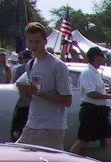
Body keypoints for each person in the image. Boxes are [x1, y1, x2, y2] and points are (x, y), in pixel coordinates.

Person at [15, 21, 72, 150]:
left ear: (45, 41)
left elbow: (67, 100)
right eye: (30, 41)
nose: (34, 45)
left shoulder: (58, 65)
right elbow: (31, 96)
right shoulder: (30, 64)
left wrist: (38, 93)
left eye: (37, 41)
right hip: (32, 123)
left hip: (52, 127)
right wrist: (25, 93)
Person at [69, 47, 111, 162]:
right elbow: (90, 93)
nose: (103, 59)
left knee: (108, 140)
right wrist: (109, 96)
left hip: (100, 111)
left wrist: (107, 93)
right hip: (90, 110)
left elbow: (97, 91)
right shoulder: (88, 73)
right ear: (96, 57)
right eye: (101, 56)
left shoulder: (96, 73)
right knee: (83, 141)